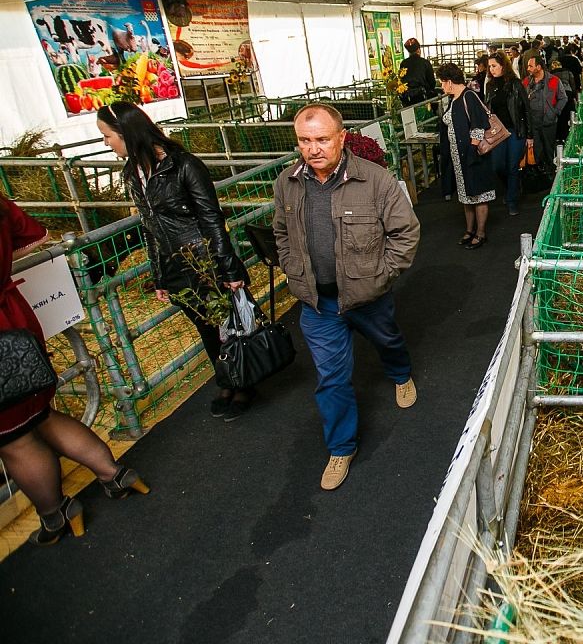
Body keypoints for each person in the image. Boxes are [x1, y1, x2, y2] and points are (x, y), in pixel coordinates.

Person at [272, 103, 420, 490]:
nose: (313, 148)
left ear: (341, 138)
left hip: (368, 295)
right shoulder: (286, 183)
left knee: (388, 340)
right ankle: (341, 448)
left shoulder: (375, 180)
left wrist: (381, 275)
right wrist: (291, 267)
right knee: (330, 379)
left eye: (322, 139)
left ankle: (400, 374)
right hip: (318, 304)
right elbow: (281, 233)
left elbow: (406, 234)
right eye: (305, 141)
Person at [0, 196, 149, 546]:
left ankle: (56, 513)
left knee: (13, 439)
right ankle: (116, 475)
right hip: (15, 320)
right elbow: (38, 238)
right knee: (40, 414)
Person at [96, 102, 252, 419]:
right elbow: (150, 228)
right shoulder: (132, 174)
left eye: (107, 136)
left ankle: (244, 381)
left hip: (205, 263)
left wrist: (229, 267)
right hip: (175, 267)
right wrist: (159, 276)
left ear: (126, 133)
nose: (105, 143)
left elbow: (211, 219)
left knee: (227, 326)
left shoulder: (183, 165)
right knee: (205, 329)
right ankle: (226, 380)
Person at [435, 64, 496, 248]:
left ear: (450, 82)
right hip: (459, 157)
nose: (442, 87)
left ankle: (480, 233)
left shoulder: (469, 96)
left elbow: (478, 127)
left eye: (442, 83)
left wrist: (471, 152)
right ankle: (470, 230)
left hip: (472, 156)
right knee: (465, 195)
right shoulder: (455, 98)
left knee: (478, 194)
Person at [485, 52, 529, 216]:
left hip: (515, 130)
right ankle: (514, 187)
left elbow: (526, 109)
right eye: (490, 66)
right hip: (498, 132)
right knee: (497, 166)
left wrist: (529, 135)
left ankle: (512, 201)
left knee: (512, 166)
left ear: (503, 66)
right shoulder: (490, 86)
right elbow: (487, 108)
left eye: (494, 66)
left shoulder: (516, 84)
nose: (491, 69)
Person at [523, 54, 567, 180]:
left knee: (548, 148)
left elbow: (563, 98)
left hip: (548, 121)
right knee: (536, 149)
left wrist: (554, 112)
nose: (528, 69)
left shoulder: (554, 80)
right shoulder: (526, 82)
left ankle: (551, 173)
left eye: (530, 66)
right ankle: (539, 174)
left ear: (539, 66)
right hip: (532, 123)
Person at [398, 39, 436, 106]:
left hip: (407, 98)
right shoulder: (425, 63)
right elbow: (432, 82)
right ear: (418, 50)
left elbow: (401, 80)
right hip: (423, 98)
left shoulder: (403, 63)